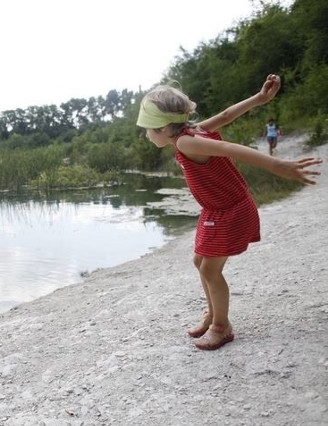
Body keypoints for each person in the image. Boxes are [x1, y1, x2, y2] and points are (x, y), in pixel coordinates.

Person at [136, 74, 322, 350]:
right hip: (215, 210)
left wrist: (276, 165)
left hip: (229, 211)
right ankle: (212, 314)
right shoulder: (191, 131)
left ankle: (221, 327)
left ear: (163, 127)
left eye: (148, 128)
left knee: (210, 269)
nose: (146, 134)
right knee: (200, 262)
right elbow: (225, 115)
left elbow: (226, 148)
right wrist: (259, 99)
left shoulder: (187, 142)